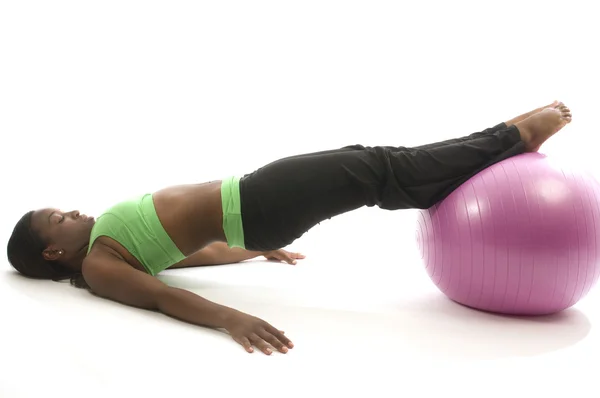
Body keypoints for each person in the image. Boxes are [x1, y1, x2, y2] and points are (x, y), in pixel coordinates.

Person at [7, 101, 572, 355]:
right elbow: (160, 298)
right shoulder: (102, 267)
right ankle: (511, 138)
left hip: (252, 212)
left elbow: (183, 258)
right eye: (60, 219)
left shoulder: (114, 249)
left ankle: (478, 158)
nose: (74, 212)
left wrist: (251, 254)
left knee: (375, 171)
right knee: (377, 167)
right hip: (254, 202)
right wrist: (234, 320)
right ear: (53, 253)